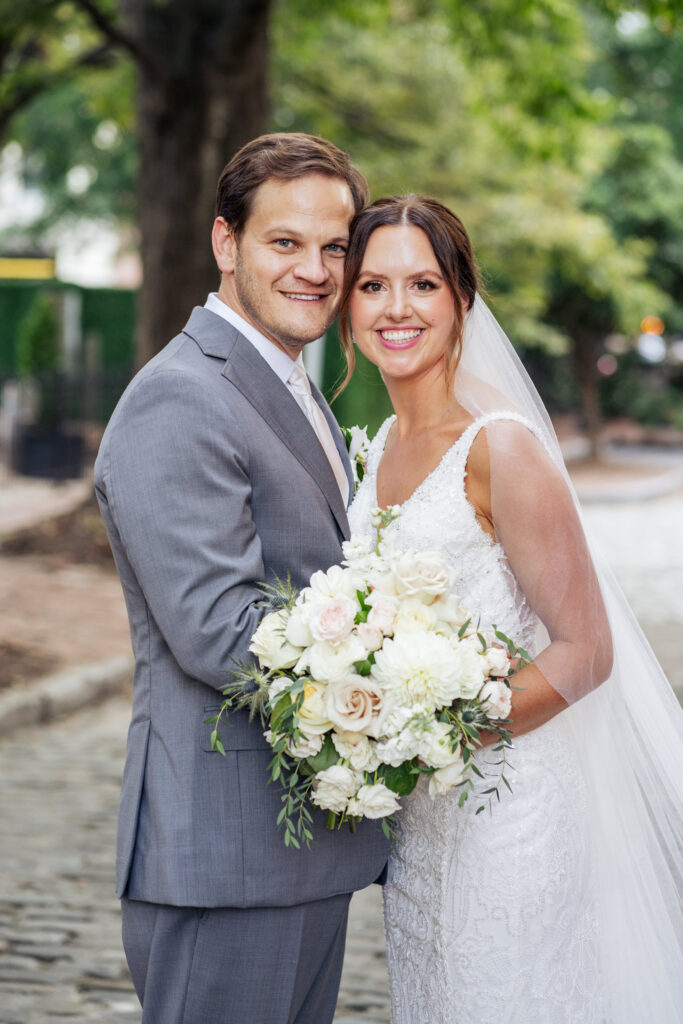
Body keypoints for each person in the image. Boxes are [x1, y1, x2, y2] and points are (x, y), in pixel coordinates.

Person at [341, 195, 683, 1023]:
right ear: (346, 304)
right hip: (421, 823)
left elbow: (584, 648)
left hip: (510, 814)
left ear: (462, 298)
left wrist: (434, 733)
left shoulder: (499, 444)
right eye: (371, 285)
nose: (396, 309)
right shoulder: (377, 446)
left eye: (421, 284)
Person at [94, 133, 389, 1024]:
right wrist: (406, 682)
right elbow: (218, 626)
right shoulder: (181, 394)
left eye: (335, 248)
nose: (315, 269)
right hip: (223, 855)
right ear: (226, 244)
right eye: (284, 242)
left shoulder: (294, 386)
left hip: (298, 851)